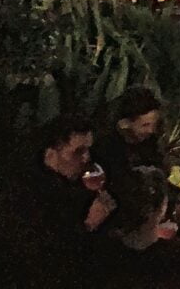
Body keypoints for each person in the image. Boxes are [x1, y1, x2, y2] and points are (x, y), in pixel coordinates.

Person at [7, 114, 116, 287]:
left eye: (88, 150)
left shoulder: (76, 184)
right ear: (51, 155)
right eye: (78, 151)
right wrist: (89, 224)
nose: (86, 158)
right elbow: (45, 254)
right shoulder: (27, 195)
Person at [95, 86, 180, 231]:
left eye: (153, 125)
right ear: (124, 123)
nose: (150, 130)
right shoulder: (107, 149)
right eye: (145, 125)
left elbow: (159, 180)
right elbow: (123, 188)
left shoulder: (149, 145)